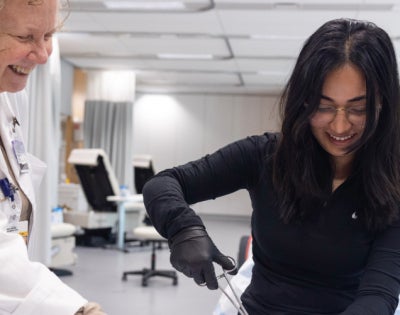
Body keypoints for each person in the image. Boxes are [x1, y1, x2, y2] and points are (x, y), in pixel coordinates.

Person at [142, 18, 400, 314]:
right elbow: (163, 184)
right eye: (324, 106)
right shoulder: (266, 156)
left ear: (384, 104)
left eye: (358, 109)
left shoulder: (393, 185)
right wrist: (183, 228)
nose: (340, 125)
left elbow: (378, 298)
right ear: (303, 101)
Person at [0, 0, 106, 314]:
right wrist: (77, 310)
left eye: (49, 35)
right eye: (25, 38)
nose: (44, 55)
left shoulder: (12, 95)